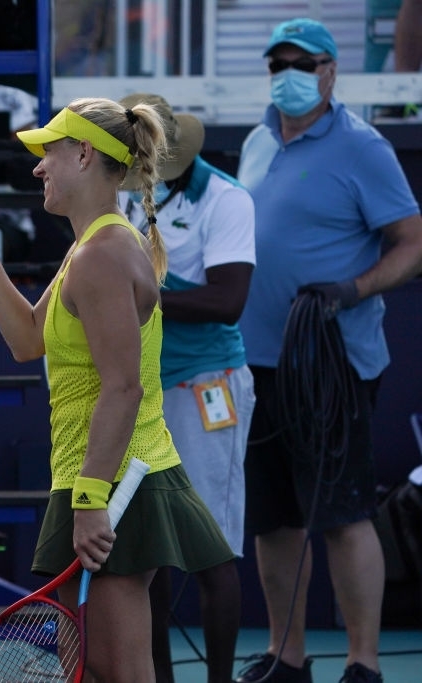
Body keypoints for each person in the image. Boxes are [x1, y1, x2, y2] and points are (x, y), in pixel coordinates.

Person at [0, 98, 234, 682]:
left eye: (48, 152)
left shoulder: (101, 254)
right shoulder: (90, 249)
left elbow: (123, 388)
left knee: (120, 669)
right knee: (105, 666)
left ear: (82, 154)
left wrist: (91, 500)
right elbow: (27, 339)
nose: (38, 167)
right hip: (104, 476)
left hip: (114, 482)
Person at [234, 18, 422, 683]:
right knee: (273, 520)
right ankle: (288, 658)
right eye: (277, 60)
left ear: (331, 71)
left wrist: (353, 287)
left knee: (341, 514)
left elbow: (412, 241)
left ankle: (363, 663)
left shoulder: (363, 147)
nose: (288, 72)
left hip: (331, 365)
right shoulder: (256, 142)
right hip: (255, 362)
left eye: (303, 61)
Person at [117, 93, 255, 683]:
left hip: (206, 388)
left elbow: (228, 301)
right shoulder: (118, 193)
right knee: (148, 550)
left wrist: (138, 299)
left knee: (212, 548)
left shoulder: (226, 199)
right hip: (139, 389)